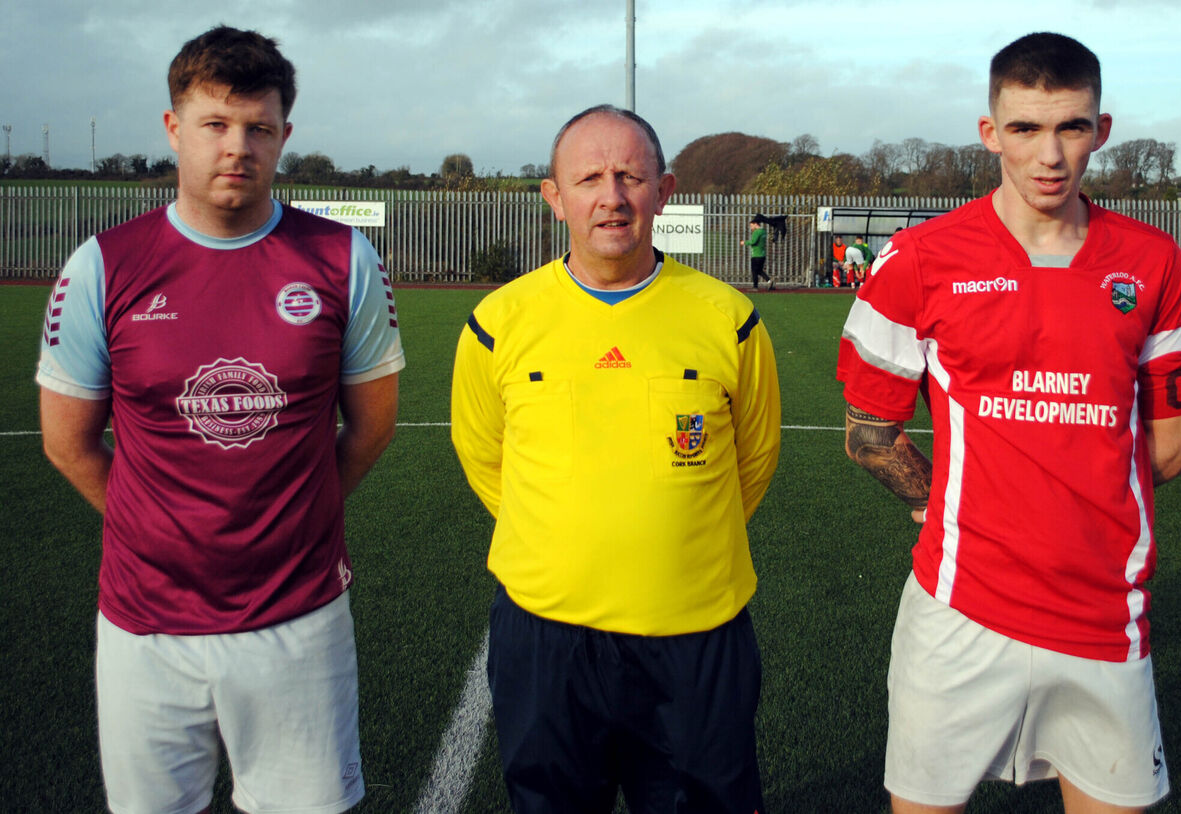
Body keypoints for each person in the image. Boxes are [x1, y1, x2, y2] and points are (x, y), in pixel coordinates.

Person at [37, 26, 403, 814]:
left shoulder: (343, 261)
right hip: (146, 626)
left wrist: (289, 521)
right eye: (214, 124)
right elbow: (68, 444)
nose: (236, 147)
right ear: (174, 128)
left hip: (299, 619)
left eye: (258, 128)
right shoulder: (103, 265)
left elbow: (371, 428)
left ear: (284, 137)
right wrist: (162, 531)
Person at [837, 32, 1181, 814]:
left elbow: (1172, 447)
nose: (1050, 155)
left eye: (1072, 127)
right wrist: (945, 506)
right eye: (1027, 129)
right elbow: (870, 429)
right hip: (960, 606)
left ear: (1101, 130)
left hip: (1104, 612)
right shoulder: (921, 259)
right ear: (989, 132)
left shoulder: (1154, 263)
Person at [451, 104, 781, 814]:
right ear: (555, 196)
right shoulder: (497, 324)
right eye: (590, 177)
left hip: (696, 634)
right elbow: (483, 454)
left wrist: (675, 541)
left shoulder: (728, 318)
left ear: (664, 192)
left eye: (631, 176)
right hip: (546, 638)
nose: (612, 196)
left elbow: (753, 458)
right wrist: (560, 541)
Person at [741, 215, 775, 289]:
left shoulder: (757, 232)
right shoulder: (763, 231)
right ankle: (769, 281)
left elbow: (753, 242)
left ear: (756, 224)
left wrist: (744, 242)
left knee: (754, 271)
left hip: (756, 254)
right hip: (762, 254)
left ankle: (755, 287)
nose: (751, 228)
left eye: (751, 225)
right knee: (759, 270)